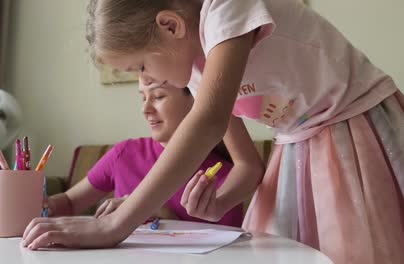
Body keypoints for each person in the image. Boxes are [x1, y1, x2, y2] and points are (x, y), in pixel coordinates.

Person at [23, 1, 403, 263]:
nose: (146, 79)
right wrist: (220, 202)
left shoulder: (226, 9)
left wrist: (113, 225)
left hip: (355, 126)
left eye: (141, 65)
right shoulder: (198, 67)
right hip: (297, 143)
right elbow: (246, 166)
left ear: (170, 25)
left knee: (359, 250)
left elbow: (207, 120)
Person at [45, 83, 243, 227]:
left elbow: (225, 249)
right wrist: (44, 205)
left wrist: (158, 211)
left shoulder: (227, 177)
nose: (145, 109)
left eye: (158, 96)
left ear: (196, 100)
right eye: (143, 97)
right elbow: (70, 203)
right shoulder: (124, 154)